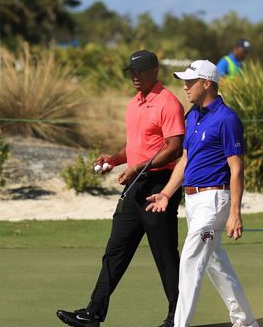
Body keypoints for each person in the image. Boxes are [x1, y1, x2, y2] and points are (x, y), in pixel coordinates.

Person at [56, 50, 186, 327]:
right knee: (115, 252)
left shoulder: (168, 103)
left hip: (159, 186)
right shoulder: (133, 104)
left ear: (155, 71)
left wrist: (139, 168)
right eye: (132, 72)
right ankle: (93, 313)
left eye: (140, 72)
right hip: (134, 187)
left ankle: (177, 317)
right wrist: (114, 160)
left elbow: (174, 148)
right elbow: (137, 146)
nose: (135, 77)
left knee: (164, 255)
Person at [145, 59, 259, 327]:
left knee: (190, 262)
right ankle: (245, 322)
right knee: (216, 265)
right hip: (193, 200)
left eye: (190, 82)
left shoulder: (227, 119)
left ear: (206, 84)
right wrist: (166, 193)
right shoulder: (192, 115)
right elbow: (185, 160)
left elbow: (236, 169)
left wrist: (235, 214)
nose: (185, 87)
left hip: (215, 200)